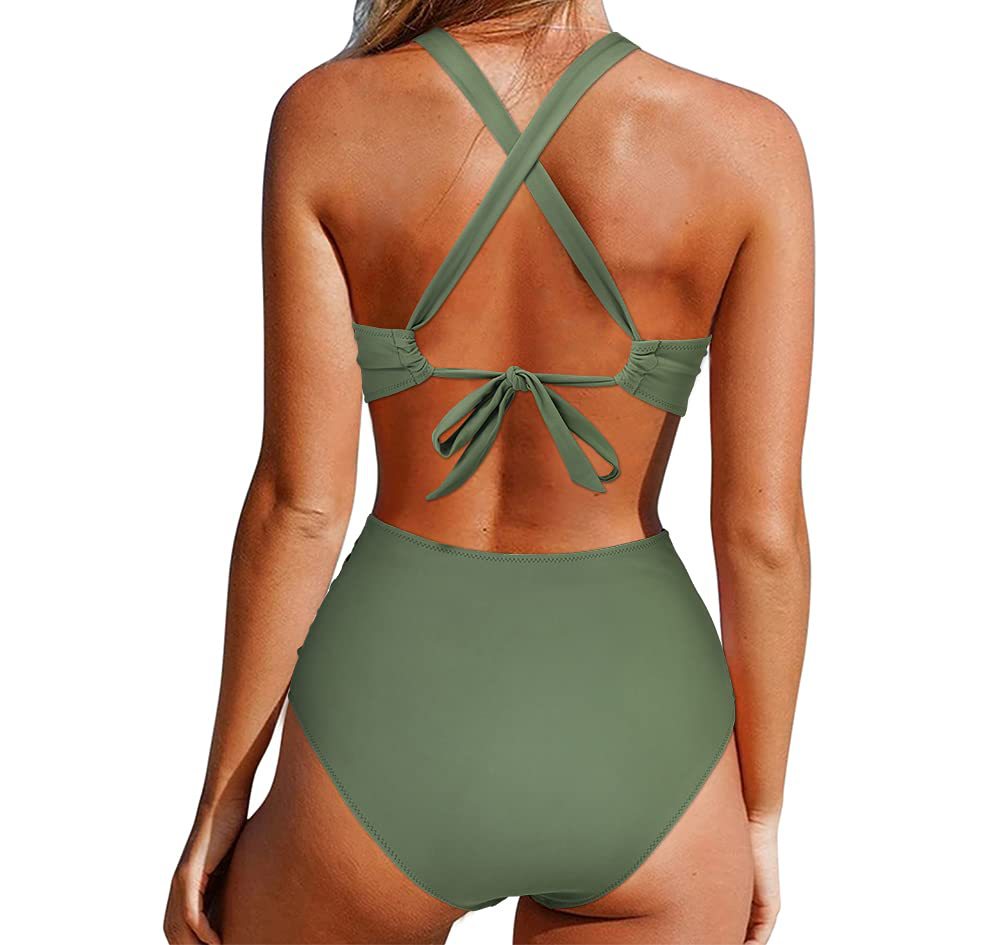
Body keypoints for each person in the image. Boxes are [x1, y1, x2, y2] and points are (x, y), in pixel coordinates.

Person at [164, 1, 812, 942]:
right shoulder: (745, 141)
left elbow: (299, 505)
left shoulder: (328, 116)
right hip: (643, 723)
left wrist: (222, 799)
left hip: (388, 707)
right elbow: (762, 532)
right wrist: (757, 814)